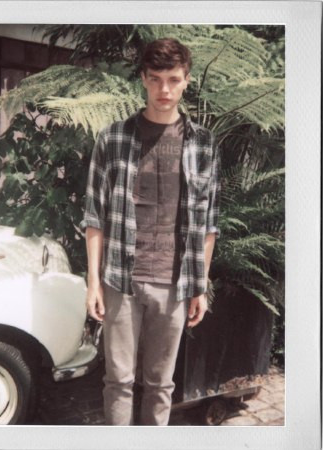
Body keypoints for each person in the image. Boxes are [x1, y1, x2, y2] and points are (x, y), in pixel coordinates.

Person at [79, 37, 221, 426]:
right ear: (143, 78)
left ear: (187, 80)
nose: (164, 90)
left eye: (173, 79)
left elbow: (209, 223)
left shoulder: (203, 145)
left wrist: (200, 285)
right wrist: (93, 282)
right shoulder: (112, 138)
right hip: (121, 280)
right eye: (156, 79)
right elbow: (94, 216)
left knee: (161, 385)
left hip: (174, 284)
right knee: (118, 382)